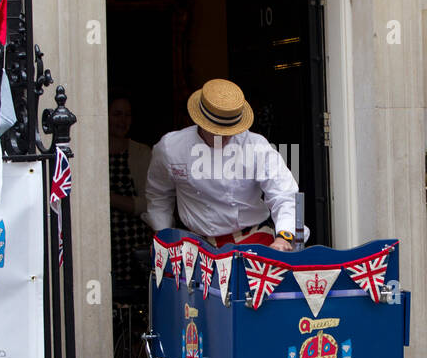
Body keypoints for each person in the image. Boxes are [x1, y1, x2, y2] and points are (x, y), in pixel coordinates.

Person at [144, 78, 301, 251]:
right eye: (218, 132)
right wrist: (162, 235)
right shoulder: (171, 147)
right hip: (196, 245)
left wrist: (284, 236)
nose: (225, 137)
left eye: (231, 131)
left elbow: (283, 194)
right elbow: (158, 194)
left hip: (252, 239)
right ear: (200, 122)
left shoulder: (256, 146)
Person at [108, 93, 152, 294]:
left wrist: (107, 198)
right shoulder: (92, 152)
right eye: (117, 114)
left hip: (133, 242)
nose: (122, 120)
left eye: (127, 115)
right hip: (107, 241)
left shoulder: (142, 152)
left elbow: (147, 204)